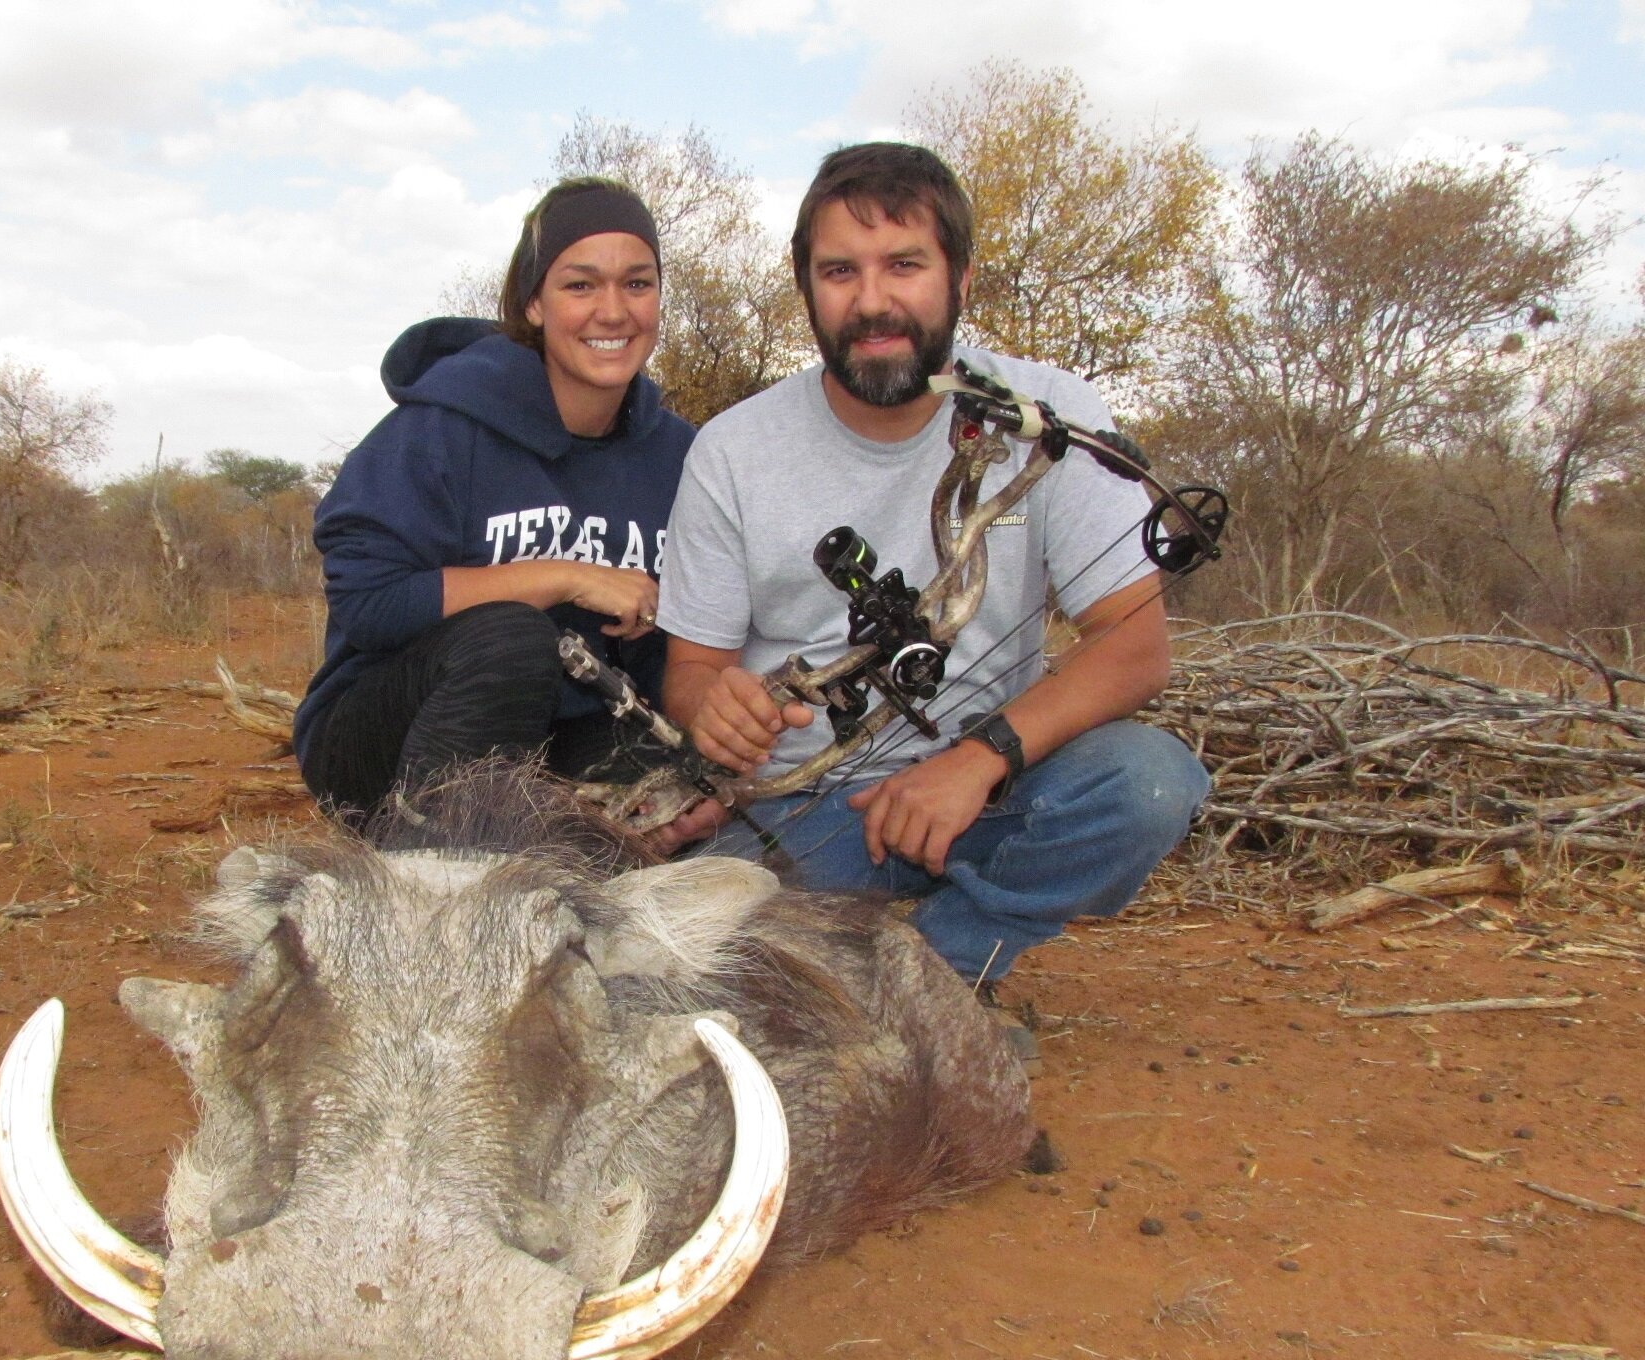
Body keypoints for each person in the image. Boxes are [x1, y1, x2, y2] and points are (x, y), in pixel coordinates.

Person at [656, 141, 1209, 992]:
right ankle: (852, 974)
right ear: (805, 284)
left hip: (988, 797)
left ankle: (945, 980)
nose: (872, 302)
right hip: (805, 813)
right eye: (839, 271)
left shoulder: (1049, 417)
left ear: (961, 278)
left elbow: (1135, 649)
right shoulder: (733, 448)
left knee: (1149, 783)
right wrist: (713, 712)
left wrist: (975, 761)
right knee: (704, 961)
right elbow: (692, 672)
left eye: (905, 265)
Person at [293, 179, 695, 818]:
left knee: (680, 785)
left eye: (638, 284)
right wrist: (565, 578)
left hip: (562, 736)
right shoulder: (439, 428)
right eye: (580, 285)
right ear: (534, 303)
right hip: (383, 740)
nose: (613, 311)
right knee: (514, 638)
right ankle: (431, 871)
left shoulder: (680, 455)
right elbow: (368, 605)